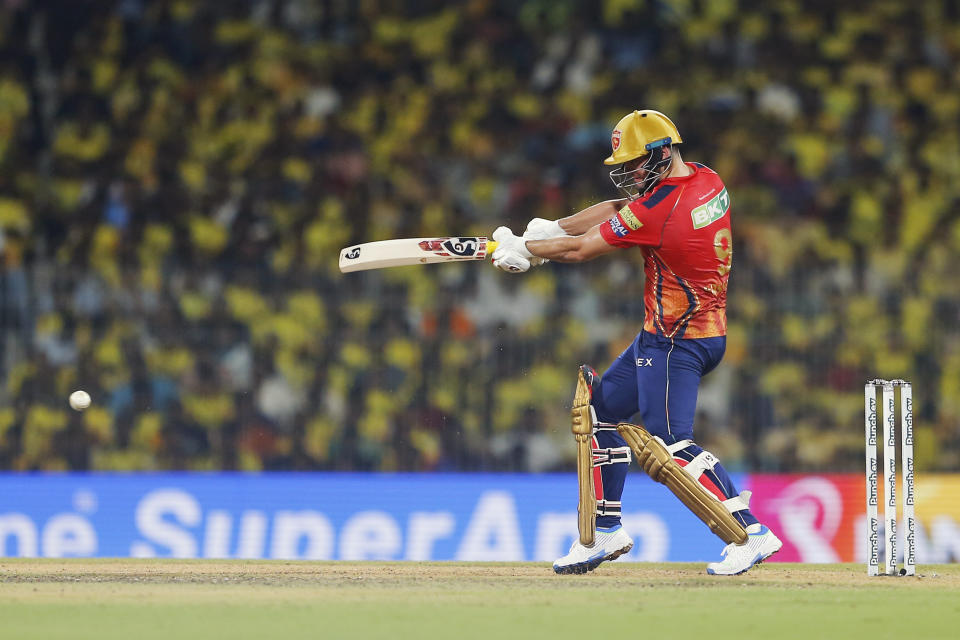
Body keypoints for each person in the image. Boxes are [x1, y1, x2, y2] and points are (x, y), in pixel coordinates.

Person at [490, 109, 782, 576]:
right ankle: (606, 532)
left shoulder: (662, 210)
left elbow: (585, 250)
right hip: (683, 334)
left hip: (676, 343)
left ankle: (750, 532)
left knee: (670, 443)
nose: (629, 174)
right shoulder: (706, 179)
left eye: (635, 164)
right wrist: (551, 229)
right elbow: (613, 212)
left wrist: (526, 250)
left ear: (663, 153)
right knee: (601, 412)